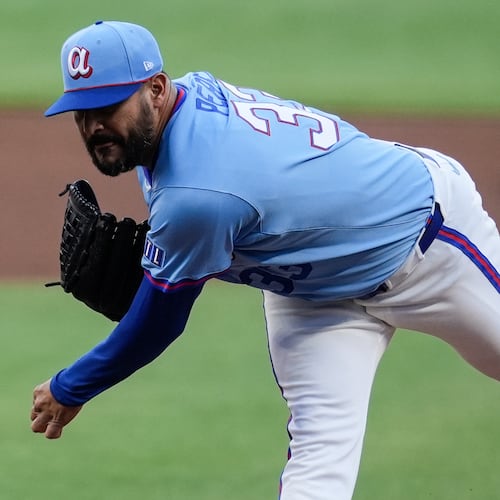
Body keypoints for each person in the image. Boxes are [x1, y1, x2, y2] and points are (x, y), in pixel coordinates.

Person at [32, 20, 500, 500]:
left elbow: (158, 323)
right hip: (312, 297)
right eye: (81, 112)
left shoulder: (197, 195)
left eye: (108, 107)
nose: (94, 127)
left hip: (428, 242)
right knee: (317, 469)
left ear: (155, 89)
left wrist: (70, 386)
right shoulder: (183, 105)